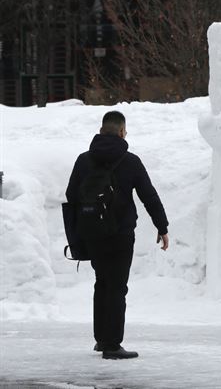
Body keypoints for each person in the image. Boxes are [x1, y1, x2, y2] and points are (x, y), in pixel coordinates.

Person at [65, 111, 169, 359]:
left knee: (102, 283)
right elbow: (148, 196)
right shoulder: (130, 161)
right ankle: (112, 344)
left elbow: (71, 195)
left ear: (101, 130)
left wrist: (88, 220)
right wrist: (162, 226)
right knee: (117, 287)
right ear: (122, 131)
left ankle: (102, 339)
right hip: (121, 234)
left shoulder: (83, 160)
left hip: (94, 234)